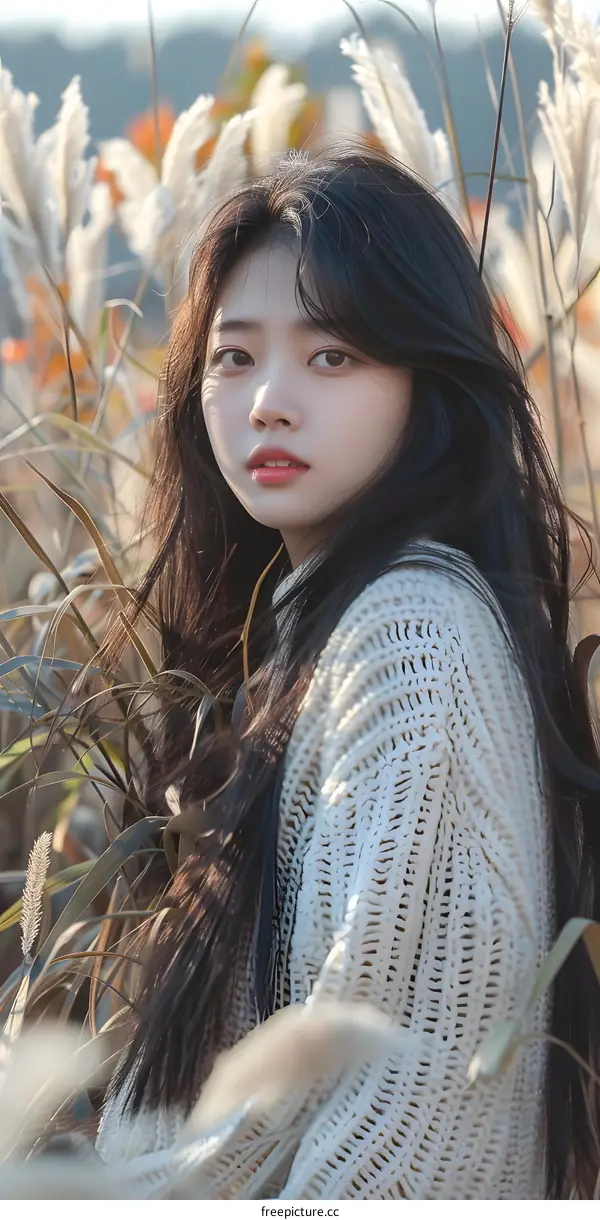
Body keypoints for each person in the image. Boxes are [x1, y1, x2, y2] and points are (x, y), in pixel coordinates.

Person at [93, 142, 600, 1200]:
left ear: (429, 377)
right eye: (234, 356)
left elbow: (402, 1132)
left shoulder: (415, 637)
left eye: (333, 356)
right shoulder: (315, 638)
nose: (270, 400)